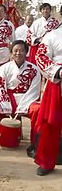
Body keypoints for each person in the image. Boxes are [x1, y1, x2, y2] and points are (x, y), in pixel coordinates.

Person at [0, 40, 41, 145]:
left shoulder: (34, 69)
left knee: (39, 109)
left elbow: (34, 90)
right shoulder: (5, 67)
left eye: (21, 51)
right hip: (7, 98)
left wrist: (22, 106)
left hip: (26, 100)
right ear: (11, 53)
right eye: (15, 51)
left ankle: (37, 141)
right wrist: (6, 104)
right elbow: (0, 87)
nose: (18, 53)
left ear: (26, 52)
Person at [34, 10, 62, 176]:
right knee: (51, 124)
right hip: (57, 83)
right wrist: (58, 71)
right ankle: (46, 161)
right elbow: (40, 56)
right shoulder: (52, 35)